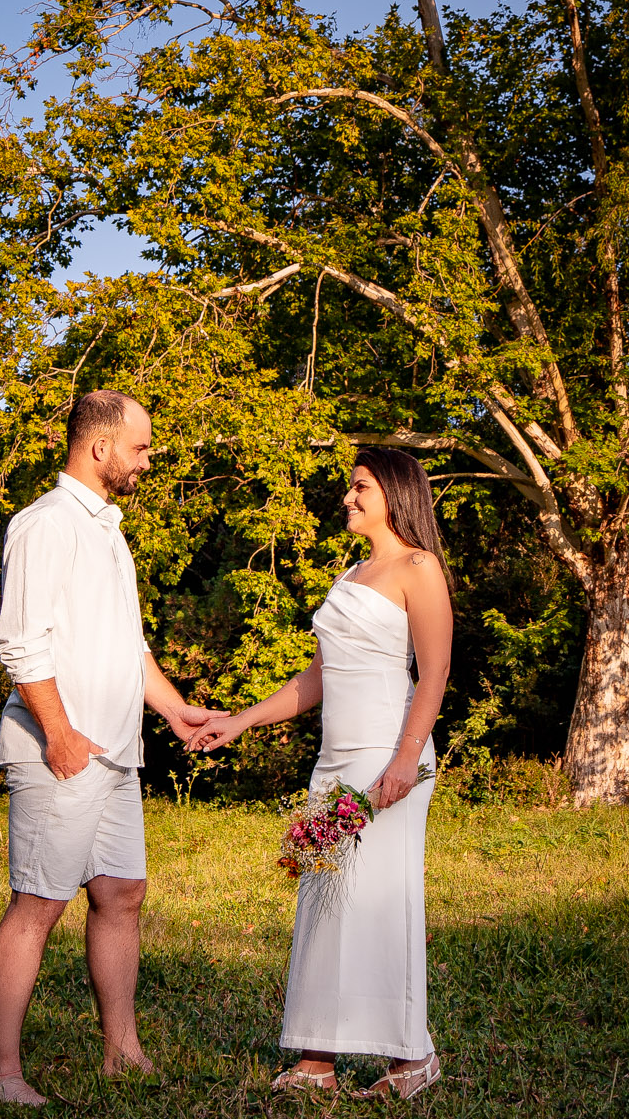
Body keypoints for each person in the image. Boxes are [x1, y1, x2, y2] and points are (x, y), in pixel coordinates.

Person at [0, 390, 222, 1108]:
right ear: (99, 449)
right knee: (39, 904)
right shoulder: (45, 525)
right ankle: (1, 1072)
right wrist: (59, 734)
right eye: (141, 448)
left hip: (117, 753)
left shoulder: (109, 531)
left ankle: (122, 1051)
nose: (148, 461)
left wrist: (175, 710)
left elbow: (129, 648)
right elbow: (19, 645)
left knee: (121, 893)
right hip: (64, 748)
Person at [205, 446, 454, 1100]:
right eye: (350, 487)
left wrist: (404, 762)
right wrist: (240, 720)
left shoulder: (418, 568)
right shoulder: (348, 576)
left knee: (379, 901)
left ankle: (412, 1059)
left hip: (390, 761)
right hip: (335, 766)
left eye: (360, 487)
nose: (348, 497)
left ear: (395, 493)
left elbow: (434, 674)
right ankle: (318, 1060)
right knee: (322, 904)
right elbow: (317, 677)